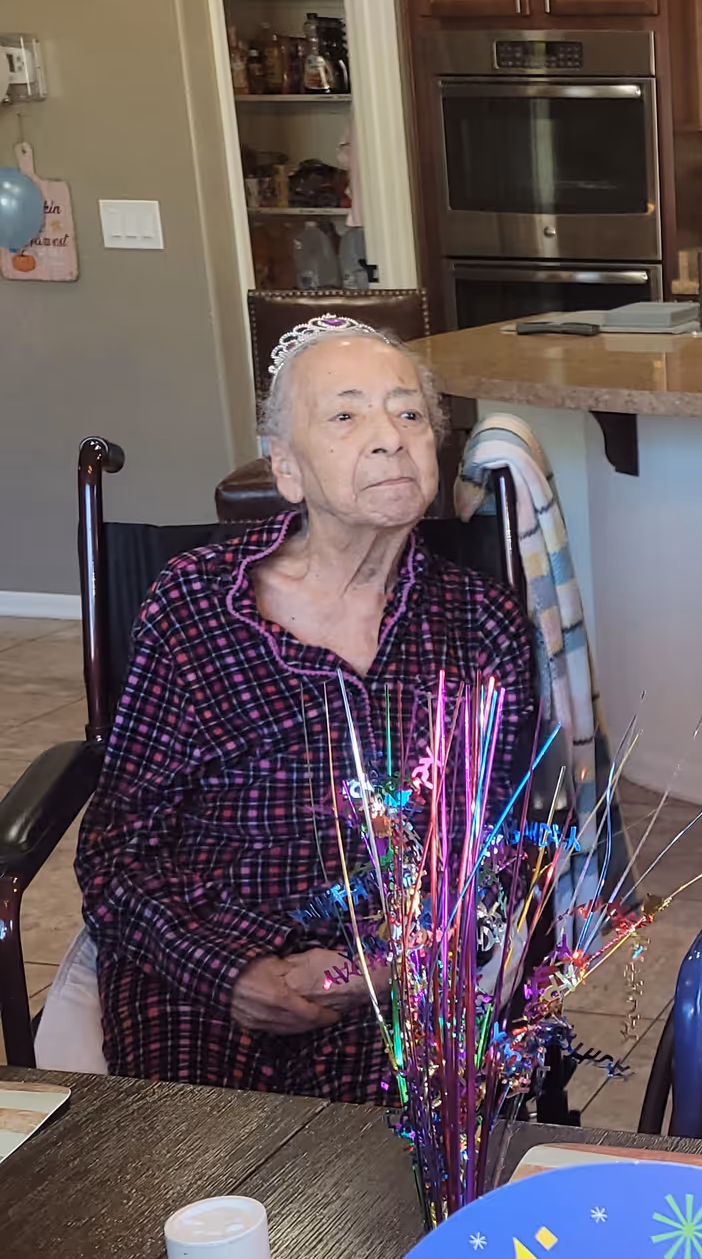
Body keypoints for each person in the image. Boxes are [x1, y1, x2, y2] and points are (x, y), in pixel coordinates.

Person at [74, 317, 536, 1099]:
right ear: (286, 470)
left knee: (395, 1197)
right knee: (196, 1182)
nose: (390, 438)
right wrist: (233, 973)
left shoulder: (480, 624)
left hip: (396, 973)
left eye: (410, 413)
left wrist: (389, 968)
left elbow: (494, 849)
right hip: (207, 961)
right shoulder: (195, 605)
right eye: (347, 415)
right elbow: (117, 853)